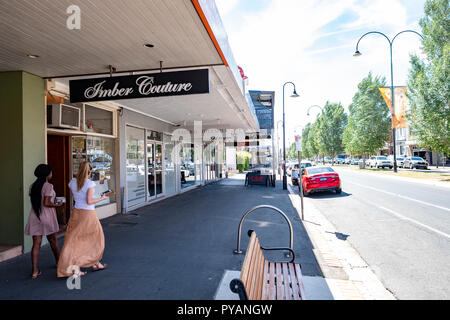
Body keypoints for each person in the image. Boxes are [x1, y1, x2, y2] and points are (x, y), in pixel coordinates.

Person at [57, 161, 109, 278]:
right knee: (95, 238)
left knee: (73, 240)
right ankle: (93, 264)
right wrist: (102, 198)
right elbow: (89, 201)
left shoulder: (72, 182)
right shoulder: (90, 184)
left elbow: (78, 197)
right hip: (88, 214)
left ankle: (94, 264)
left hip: (76, 213)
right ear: (90, 171)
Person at [25, 164, 63, 279]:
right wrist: (57, 204)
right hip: (47, 217)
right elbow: (46, 203)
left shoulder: (33, 186)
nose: (52, 174)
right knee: (53, 241)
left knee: (36, 244)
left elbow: (38, 201)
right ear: (47, 174)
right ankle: (59, 263)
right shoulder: (48, 186)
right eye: (50, 172)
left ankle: (35, 271)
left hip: (35, 216)